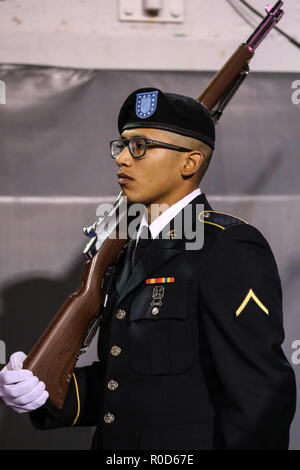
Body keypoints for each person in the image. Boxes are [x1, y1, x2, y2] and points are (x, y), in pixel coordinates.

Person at [0, 88, 296, 450]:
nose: (122, 158)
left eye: (140, 146)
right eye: (122, 145)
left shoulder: (227, 247)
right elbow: (128, 380)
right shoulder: (127, 249)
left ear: (189, 163)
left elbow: (260, 397)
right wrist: (42, 390)